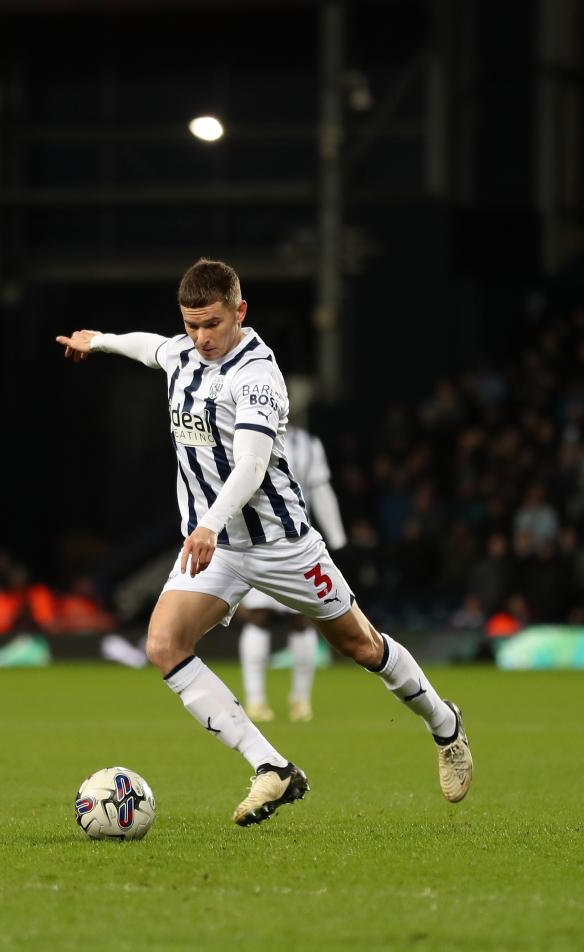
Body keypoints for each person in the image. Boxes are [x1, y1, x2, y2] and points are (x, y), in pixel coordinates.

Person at [56, 258, 472, 826]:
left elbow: (251, 465)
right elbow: (149, 346)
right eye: (192, 324)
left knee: (361, 646)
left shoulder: (256, 375)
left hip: (280, 544)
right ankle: (272, 767)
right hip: (219, 549)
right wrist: (98, 341)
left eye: (212, 324)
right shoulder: (181, 352)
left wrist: (207, 522)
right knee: (163, 645)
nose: (201, 338)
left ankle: (444, 725)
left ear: (240, 312)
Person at [236, 425, 347, 723]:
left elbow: (321, 490)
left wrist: (337, 540)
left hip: (297, 542)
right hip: (254, 539)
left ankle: (301, 700)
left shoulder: (308, 443)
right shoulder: (243, 433)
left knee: (303, 620)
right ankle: (256, 701)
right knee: (259, 615)